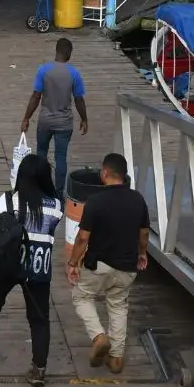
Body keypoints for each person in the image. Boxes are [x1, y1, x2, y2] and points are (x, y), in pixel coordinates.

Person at [0, 153, 62, 386]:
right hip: (38, 266)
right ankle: (39, 369)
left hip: (8, 262)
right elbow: (52, 227)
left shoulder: (7, 200)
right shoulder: (56, 206)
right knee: (39, 318)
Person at [66, 152, 149, 374]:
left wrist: (73, 263)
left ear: (104, 173)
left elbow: (83, 238)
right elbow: (143, 233)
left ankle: (98, 336)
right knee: (118, 305)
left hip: (99, 265)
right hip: (127, 266)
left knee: (81, 296)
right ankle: (116, 358)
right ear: (124, 176)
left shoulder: (95, 201)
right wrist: (142, 253)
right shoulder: (138, 199)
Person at [20, 38, 88, 197]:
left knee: (41, 154)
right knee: (61, 157)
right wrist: (84, 119)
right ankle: (58, 193)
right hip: (64, 124)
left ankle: (41, 188)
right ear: (69, 53)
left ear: (56, 50)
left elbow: (36, 96)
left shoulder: (43, 70)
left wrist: (26, 118)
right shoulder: (74, 74)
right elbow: (79, 99)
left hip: (45, 121)